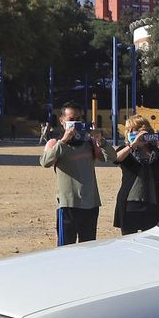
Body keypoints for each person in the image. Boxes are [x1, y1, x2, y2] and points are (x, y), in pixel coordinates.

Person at [40, 102, 104, 245]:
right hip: (68, 204)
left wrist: (101, 140)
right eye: (71, 120)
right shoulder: (55, 143)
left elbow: (110, 158)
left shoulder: (89, 143)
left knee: (88, 247)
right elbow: (45, 162)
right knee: (65, 248)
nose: (75, 123)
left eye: (78, 120)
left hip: (90, 203)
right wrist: (63, 141)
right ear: (62, 120)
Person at [112, 115, 159, 235]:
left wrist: (152, 146)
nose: (130, 132)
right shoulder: (126, 150)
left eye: (134, 129)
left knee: (150, 240)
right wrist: (133, 145)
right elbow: (115, 159)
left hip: (151, 202)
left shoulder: (156, 153)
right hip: (130, 202)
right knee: (128, 241)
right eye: (128, 130)